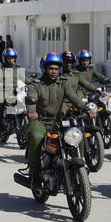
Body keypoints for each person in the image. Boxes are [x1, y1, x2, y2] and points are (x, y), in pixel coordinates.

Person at [25, 52, 87, 189]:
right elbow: (31, 97)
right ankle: (34, 173)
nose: (54, 72)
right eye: (51, 69)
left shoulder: (63, 83)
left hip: (58, 121)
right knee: (36, 137)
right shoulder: (36, 84)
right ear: (44, 69)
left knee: (77, 134)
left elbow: (73, 97)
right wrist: (31, 111)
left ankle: (79, 167)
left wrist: (85, 108)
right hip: (39, 121)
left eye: (56, 69)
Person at [0, 48, 21, 129]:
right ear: (4, 59)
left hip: (16, 90)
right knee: (0, 100)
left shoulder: (18, 68)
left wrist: (32, 82)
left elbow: (24, 79)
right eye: (9, 58)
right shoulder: (0, 69)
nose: (11, 60)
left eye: (12, 58)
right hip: (4, 90)